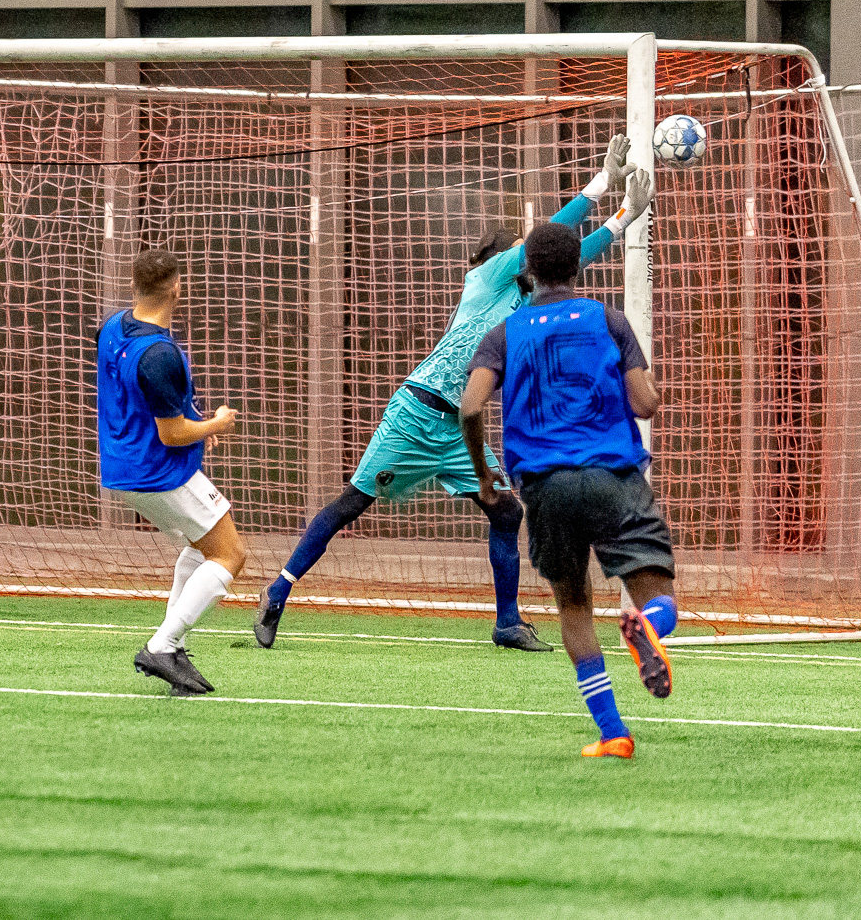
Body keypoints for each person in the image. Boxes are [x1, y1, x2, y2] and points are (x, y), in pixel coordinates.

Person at [254, 134, 654, 652]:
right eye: (517, 249)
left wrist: (623, 218)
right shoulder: (485, 279)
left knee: (506, 512)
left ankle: (507, 623)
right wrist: (602, 186)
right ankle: (278, 592)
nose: (525, 252)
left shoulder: (530, 303)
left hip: (457, 428)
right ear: (505, 259)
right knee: (353, 502)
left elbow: (566, 255)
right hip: (417, 414)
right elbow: (550, 238)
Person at [459, 221, 679, 760]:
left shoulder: (505, 333)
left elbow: (469, 406)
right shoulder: (609, 321)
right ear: (578, 268)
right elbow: (645, 405)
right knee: (660, 595)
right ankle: (645, 626)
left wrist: (484, 476)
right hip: (614, 478)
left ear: (528, 272)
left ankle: (613, 734)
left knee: (574, 605)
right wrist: (653, 388)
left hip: (546, 483)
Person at [97, 247, 246, 696]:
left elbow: (155, 404)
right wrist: (214, 424)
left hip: (122, 465)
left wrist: (195, 423)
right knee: (230, 554)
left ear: (135, 285)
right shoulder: (158, 354)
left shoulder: (113, 326)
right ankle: (162, 645)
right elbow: (171, 434)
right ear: (177, 287)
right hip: (159, 471)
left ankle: (173, 644)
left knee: (201, 546)